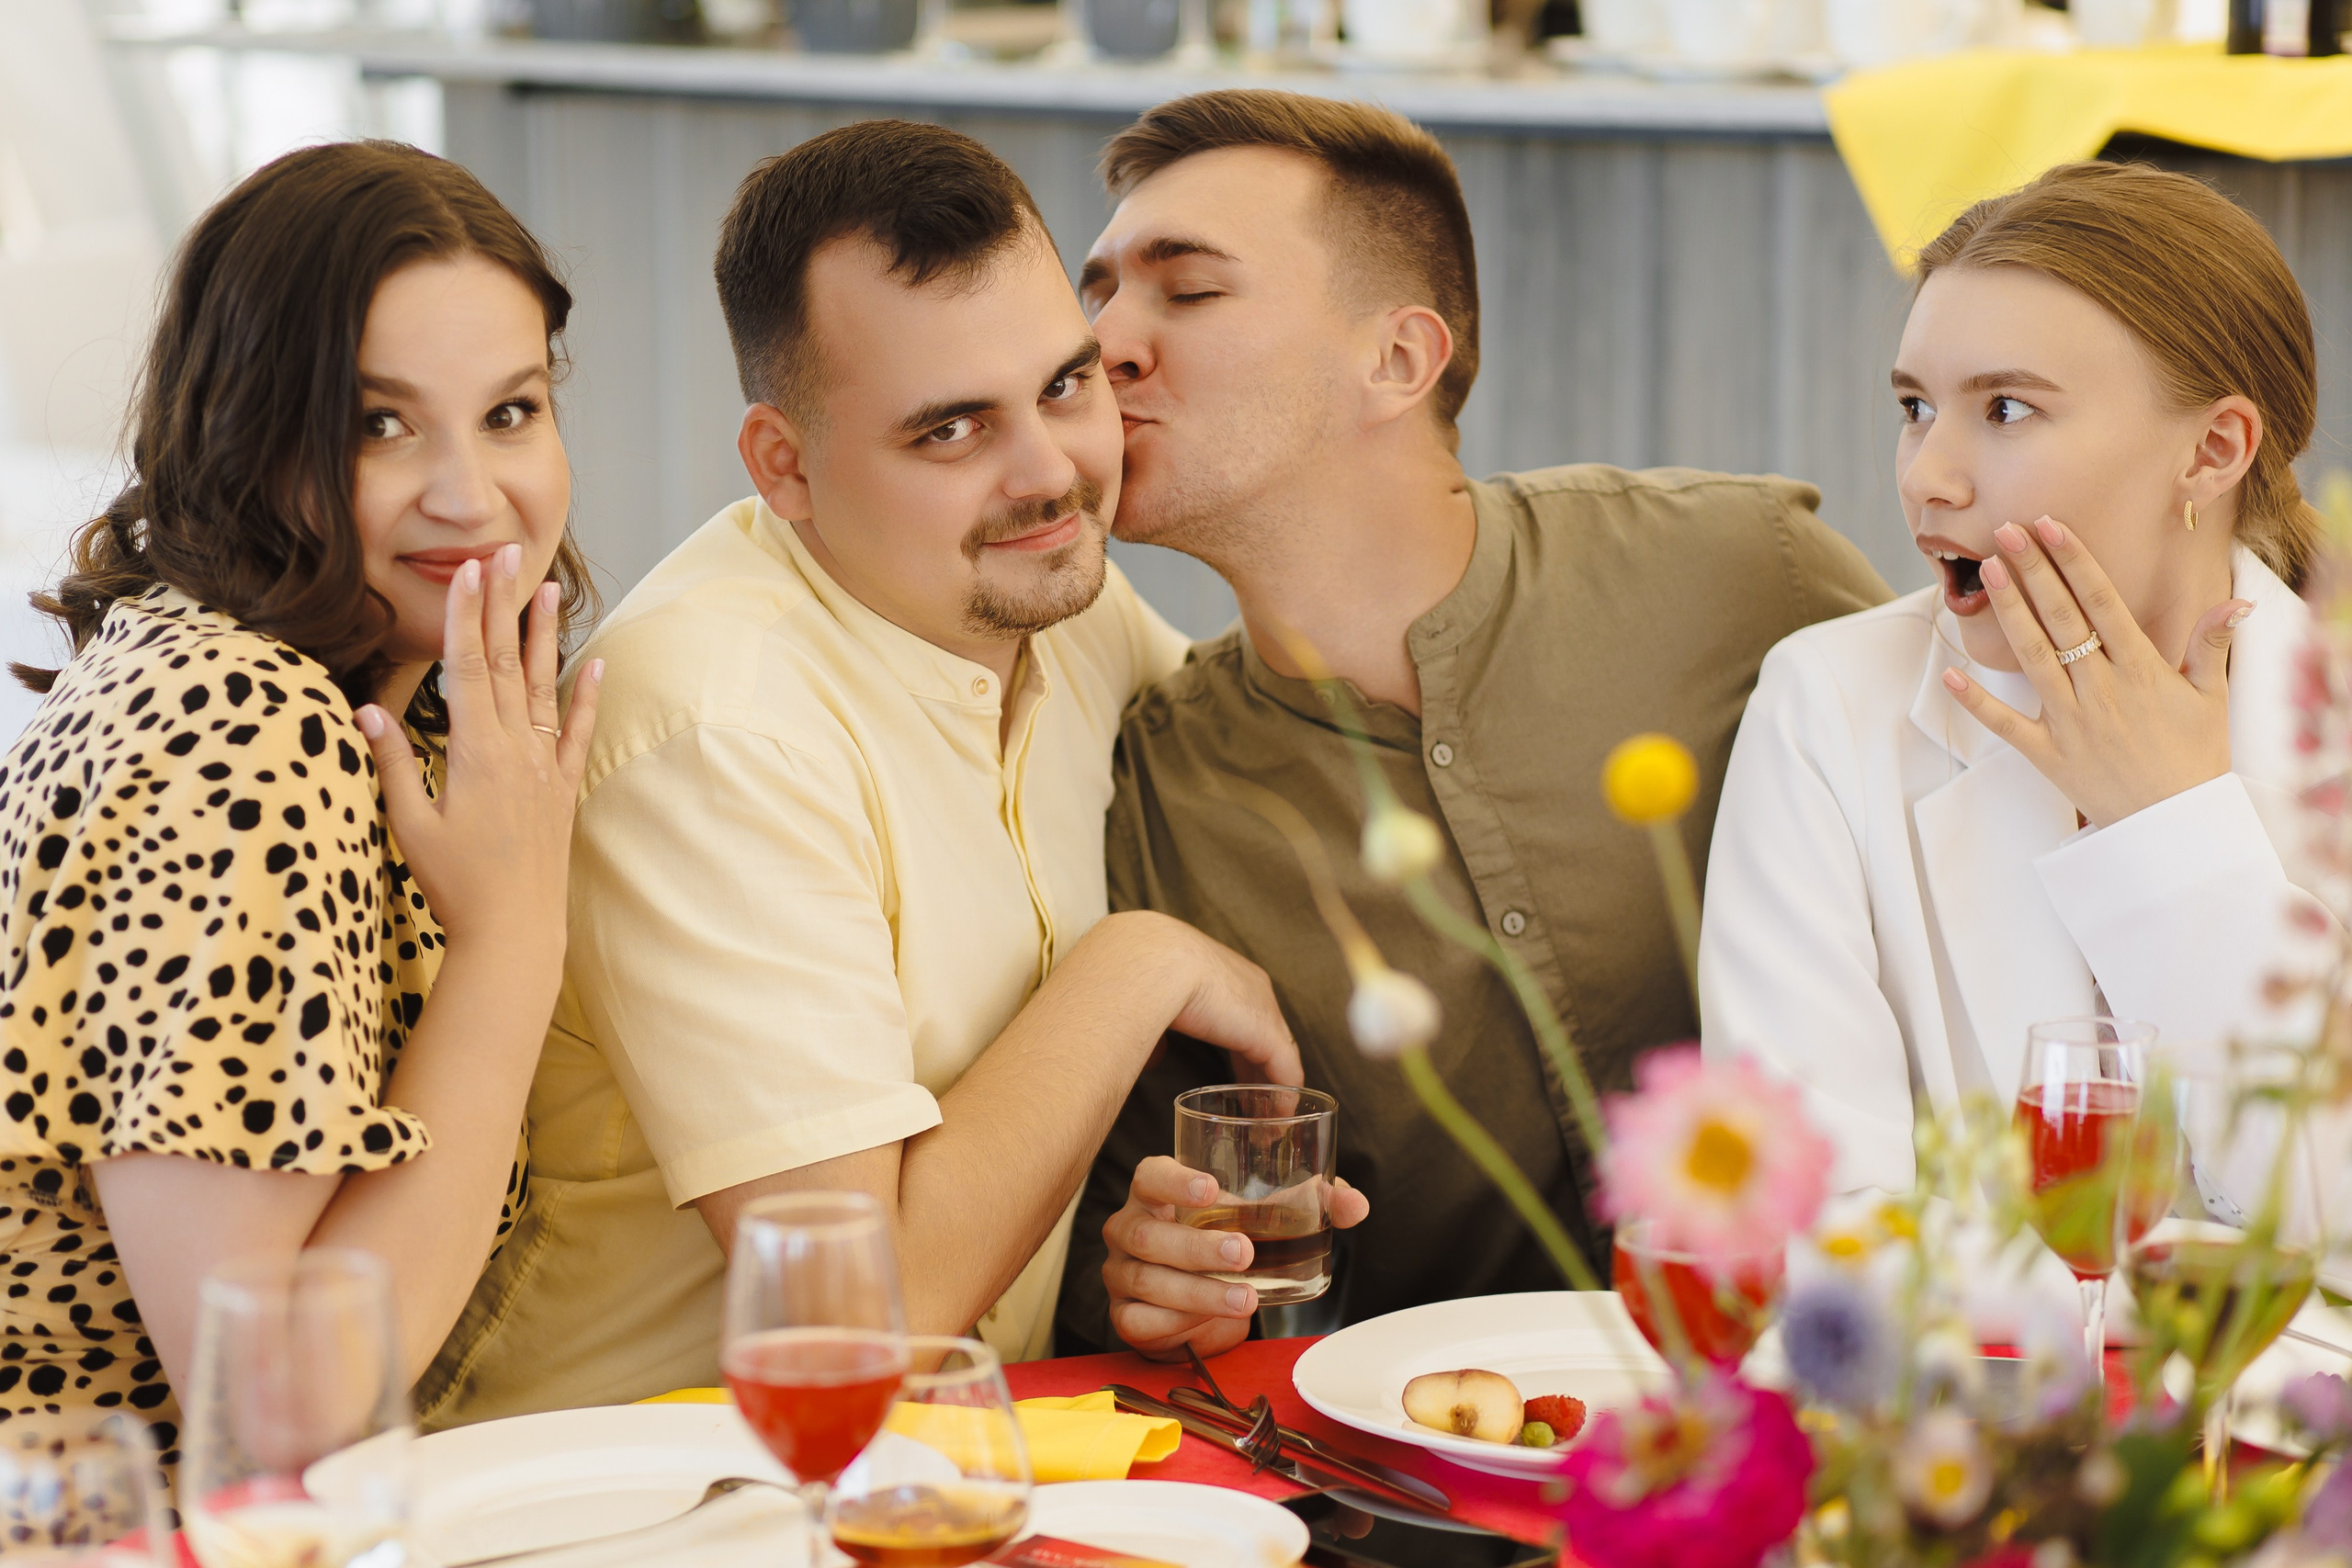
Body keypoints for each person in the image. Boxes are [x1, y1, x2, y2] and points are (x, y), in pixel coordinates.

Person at [420, 120, 1299, 1425]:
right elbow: (852, 1318)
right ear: (785, 466)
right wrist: (1134, 963)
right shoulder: (715, 724)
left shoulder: (1046, 590)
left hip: (942, 1463)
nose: (1051, 471)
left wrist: (1158, 1242)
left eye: (1064, 385)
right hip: (626, 1489)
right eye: (950, 430)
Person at [1055, 90, 1890, 1361]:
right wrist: (1159, 1272)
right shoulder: (1157, 790)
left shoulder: (1747, 572)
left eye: (1188, 290)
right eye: (1100, 293)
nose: (1103, 344)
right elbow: (1157, 1262)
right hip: (1445, 1493)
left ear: (1398, 358)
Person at [0, 141, 600, 1459]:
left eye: (510, 411)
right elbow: (273, 1403)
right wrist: (511, 938)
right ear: (246, 431)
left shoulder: (389, 682)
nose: (472, 494)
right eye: (376, 422)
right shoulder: (238, 730)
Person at [1699, 161, 2331, 1195]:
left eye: (2003, 410)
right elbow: (1811, 1210)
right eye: (1914, 406)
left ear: (2212, 450)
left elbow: (2330, 1216)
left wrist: (2172, 827)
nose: (1923, 475)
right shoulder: (1826, 704)